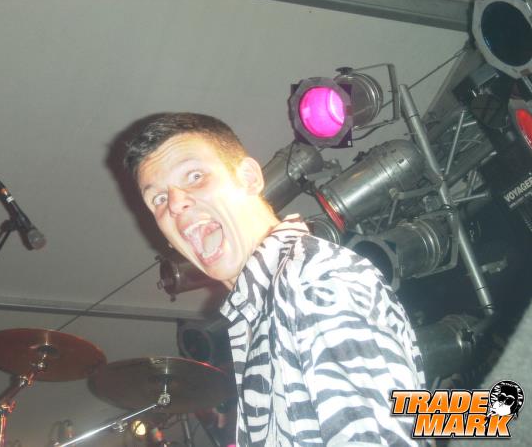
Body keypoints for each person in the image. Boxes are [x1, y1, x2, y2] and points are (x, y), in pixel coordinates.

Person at [123, 112, 426, 446]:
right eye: (159, 199)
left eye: (195, 176)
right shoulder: (263, 310)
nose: (175, 204)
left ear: (250, 179)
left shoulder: (310, 279)